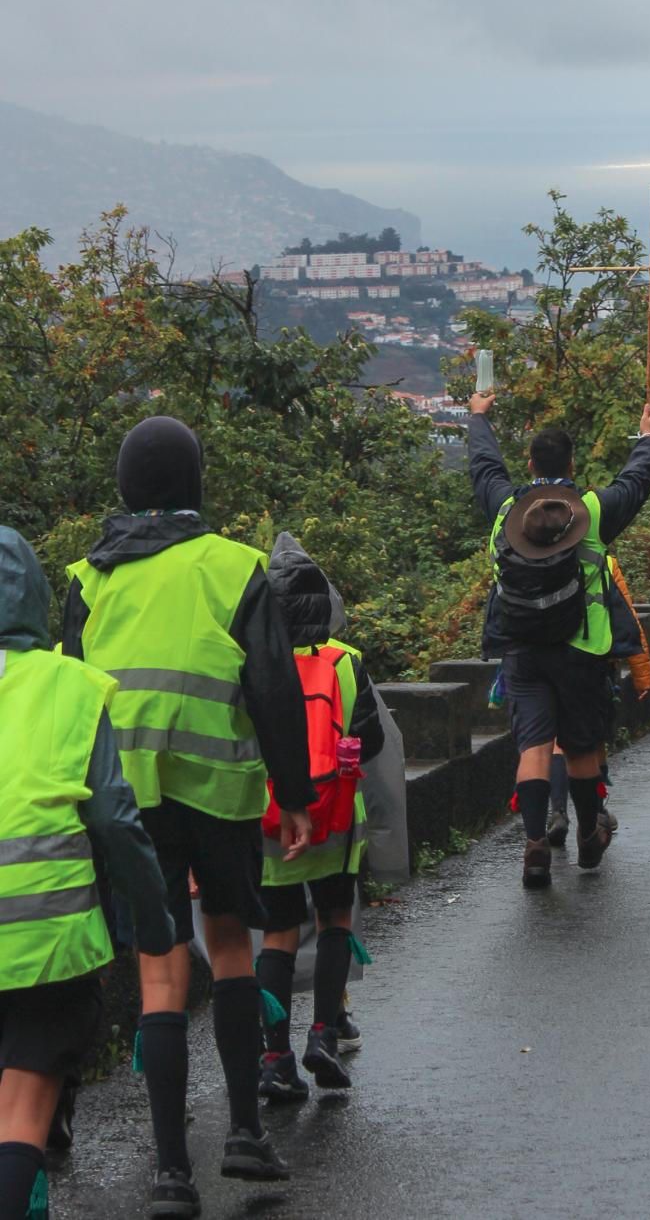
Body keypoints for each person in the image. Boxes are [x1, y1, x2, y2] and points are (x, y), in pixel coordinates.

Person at [62, 416, 314, 1216]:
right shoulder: (235, 568)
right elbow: (273, 691)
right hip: (218, 787)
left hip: (126, 799)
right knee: (231, 943)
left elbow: (73, 700)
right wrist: (298, 795)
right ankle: (245, 1133)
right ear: (195, 484)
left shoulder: (87, 579)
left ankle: (171, 1171)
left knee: (161, 969)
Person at [0, 528, 175, 1220]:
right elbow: (114, 821)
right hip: (48, 947)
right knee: (21, 1111)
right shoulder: (70, 686)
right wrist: (150, 920)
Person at [468, 394, 650, 888]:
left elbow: (484, 467)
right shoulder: (591, 510)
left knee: (534, 746)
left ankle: (534, 844)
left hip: (523, 650)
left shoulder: (506, 508)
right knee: (578, 748)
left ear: (530, 464)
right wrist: (648, 438)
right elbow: (635, 482)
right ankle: (588, 836)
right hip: (583, 651)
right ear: (572, 464)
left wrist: (478, 417)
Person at [255, 534, 385, 1104]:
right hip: (336, 816)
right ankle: (325, 1034)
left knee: (279, 933)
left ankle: (275, 1057)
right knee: (335, 919)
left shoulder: (256, 664)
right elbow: (372, 740)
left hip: (272, 818)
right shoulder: (347, 662)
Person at [547, 553, 648, 842]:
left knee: (556, 739)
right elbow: (626, 615)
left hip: (544, 660)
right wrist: (642, 672)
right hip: (594, 659)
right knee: (593, 738)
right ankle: (596, 813)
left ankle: (557, 812)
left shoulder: (530, 556)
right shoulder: (604, 560)